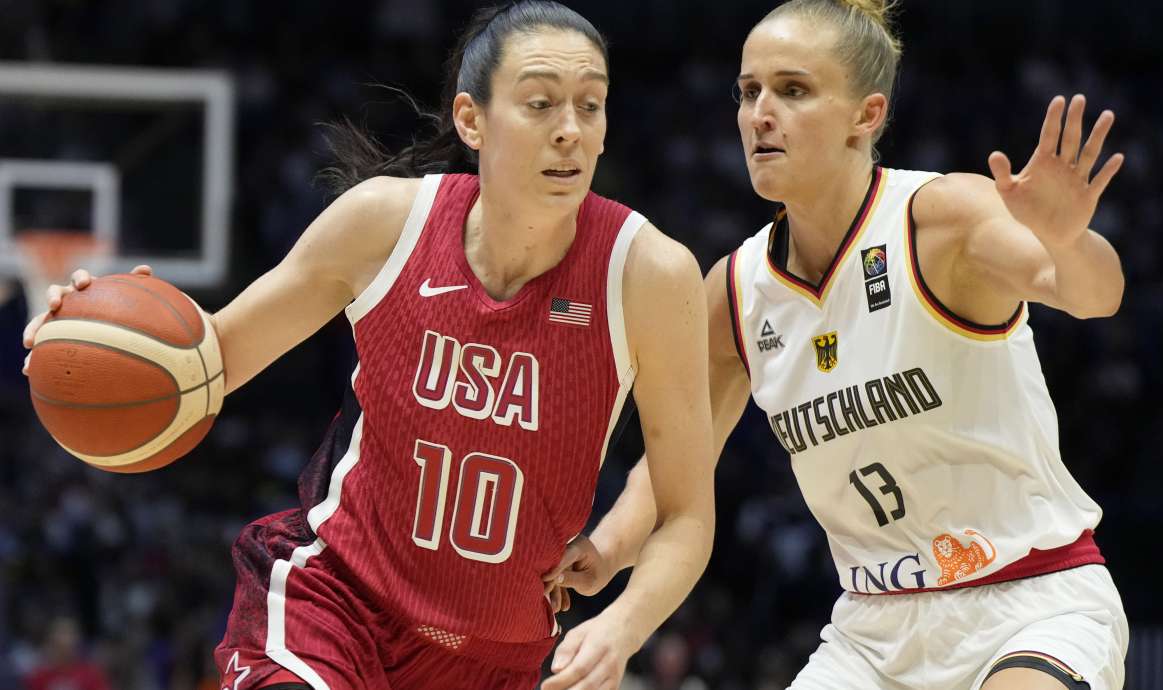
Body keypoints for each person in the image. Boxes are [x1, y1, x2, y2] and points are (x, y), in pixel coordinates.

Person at [21, 3, 715, 689]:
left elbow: (686, 512)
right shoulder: (386, 224)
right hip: (338, 605)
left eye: (591, 107)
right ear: (472, 120)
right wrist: (95, 333)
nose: (571, 130)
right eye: (540, 104)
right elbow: (214, 358)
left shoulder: (649, 276)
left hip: (497, 658)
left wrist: (623, 625)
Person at [548, 1, 1129, 688]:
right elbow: (680, 458)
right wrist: (609, 550)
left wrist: (1066, 237)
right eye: (749, 91)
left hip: (1031, 599)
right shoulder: (736, 288)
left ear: (868, 115)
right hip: (873, 631)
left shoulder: (937, 219)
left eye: (793, 90)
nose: (761, 113)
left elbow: (1095, 295)